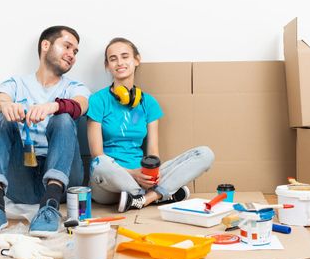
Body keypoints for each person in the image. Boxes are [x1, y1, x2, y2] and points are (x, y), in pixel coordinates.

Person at [0, 26, 90, 237]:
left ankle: (50, 207)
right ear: (46, 45)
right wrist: (6, 106)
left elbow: (81, 104)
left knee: (64, 118)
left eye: (75, 51)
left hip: (65, 179)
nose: (72, 55)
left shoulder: (75, 86)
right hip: (22, 177)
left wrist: (54, 106)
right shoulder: (16, 83)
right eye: (67, 46)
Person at [87, 38, 215, 212]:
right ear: (107, 65)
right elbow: (97, 154)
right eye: (113, 58)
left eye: (125, 56)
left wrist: (150, 175)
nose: (120, 63)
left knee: (205, 154)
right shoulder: (97, 100)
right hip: (109, 182)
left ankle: (145, 199)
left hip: (143, 177)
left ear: (136, 60)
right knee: (100, 163)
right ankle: (162, 194)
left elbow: (153, 152)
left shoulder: (149, 103)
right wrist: (133, 174)